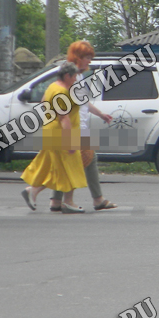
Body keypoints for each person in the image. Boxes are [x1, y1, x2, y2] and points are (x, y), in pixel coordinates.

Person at [48, 41, 116, 212]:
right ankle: (96, 200)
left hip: (78, 125)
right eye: (87, 57)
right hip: (73, 126)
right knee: (86, 159)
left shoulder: (78, 75)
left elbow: (83, 103)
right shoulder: (71, 76)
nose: (89, 61)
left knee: (68, 162)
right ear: (78, 57)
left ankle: (56, 201)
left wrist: (100, 114)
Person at [20, 61, 87, 214]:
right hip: (62, 133)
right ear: (67, 75)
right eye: (75, 76)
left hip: (51, 130)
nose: (76, 79)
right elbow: (64, 118)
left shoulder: (53, 87)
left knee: (52, 168)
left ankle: (33, 192)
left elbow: (44, 102)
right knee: (72, 167)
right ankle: (68, 202)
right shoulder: (61, 92)